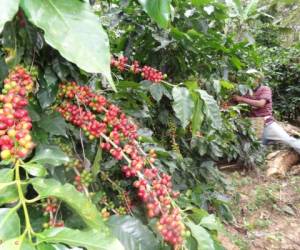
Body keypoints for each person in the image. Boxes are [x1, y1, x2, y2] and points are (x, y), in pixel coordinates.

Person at [232, 71, 300, 154]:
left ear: (258, 79)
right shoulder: (245, 92)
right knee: (255, 151)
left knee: (288, 140)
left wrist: (241, 99)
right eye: (247, 77)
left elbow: (261, 103)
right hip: (254, 125)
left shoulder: (265, 89)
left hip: (268, 124)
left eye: (252, 77)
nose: (249, 79)